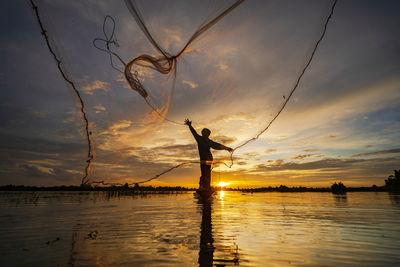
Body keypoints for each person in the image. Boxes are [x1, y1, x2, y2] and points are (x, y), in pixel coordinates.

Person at [185, 119, 233, 191]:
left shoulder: (209, 141)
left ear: (208, 134)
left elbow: (217, 145)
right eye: (205, 133)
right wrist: (190, 125)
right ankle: (203, 187)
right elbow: (194, 132)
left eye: (207, 133)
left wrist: (227, 148)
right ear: (202, 133)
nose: (206, 134)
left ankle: (206, 187)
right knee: (204, 173)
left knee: (207, 173)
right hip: (203, 159)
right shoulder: (199, 139)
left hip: (209, 160)